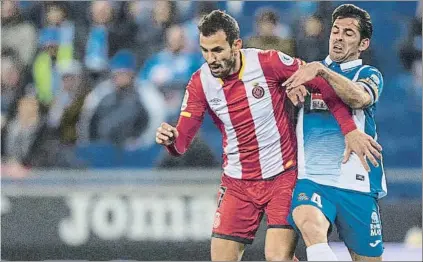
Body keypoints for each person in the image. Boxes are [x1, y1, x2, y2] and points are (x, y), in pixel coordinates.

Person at [155, 10, 381, 261]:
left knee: (277, 257)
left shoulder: (268, 62)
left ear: (236, 45)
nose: (212, 59)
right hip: (237, 182)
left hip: (281, 177)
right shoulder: (200, 83)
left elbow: (321, 84)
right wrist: (171, 140)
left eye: (218, 50)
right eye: (205, 51)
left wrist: (349, 130)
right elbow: (182, 143)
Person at [283, 4, 386, 261]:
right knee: (308, 226)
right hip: (313, 179)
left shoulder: (368, 74)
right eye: (336, 30)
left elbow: (359, 98)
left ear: (363, 44)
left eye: (349, 33)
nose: (338, 37)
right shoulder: (306, 72)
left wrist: (322, 71)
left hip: (357, 184)